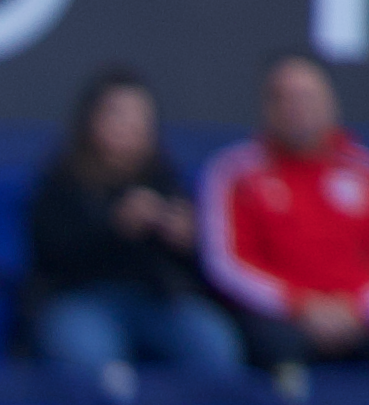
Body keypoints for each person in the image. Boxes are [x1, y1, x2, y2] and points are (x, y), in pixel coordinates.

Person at [204, 52, 369, 367]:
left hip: (357, 312)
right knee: (274, 347)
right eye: (283, 98)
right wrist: (298, 305)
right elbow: (226, 263)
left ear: (332, 102)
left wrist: (360, 309)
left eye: (307, 97)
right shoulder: (234, 171)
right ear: (266, 108)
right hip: (278, 313)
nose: (296, 108)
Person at [30, 70, 234, 381]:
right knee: (93, 359)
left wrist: (186, 240)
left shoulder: (163, 177)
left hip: (154, 297)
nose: (130, 126)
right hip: (80, 298)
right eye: (118, 115)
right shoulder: (62, 181)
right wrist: (115, 226)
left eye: (140, 117)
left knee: (212, 345)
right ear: (91, 120)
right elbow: (49, 254)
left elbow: (199, 266)